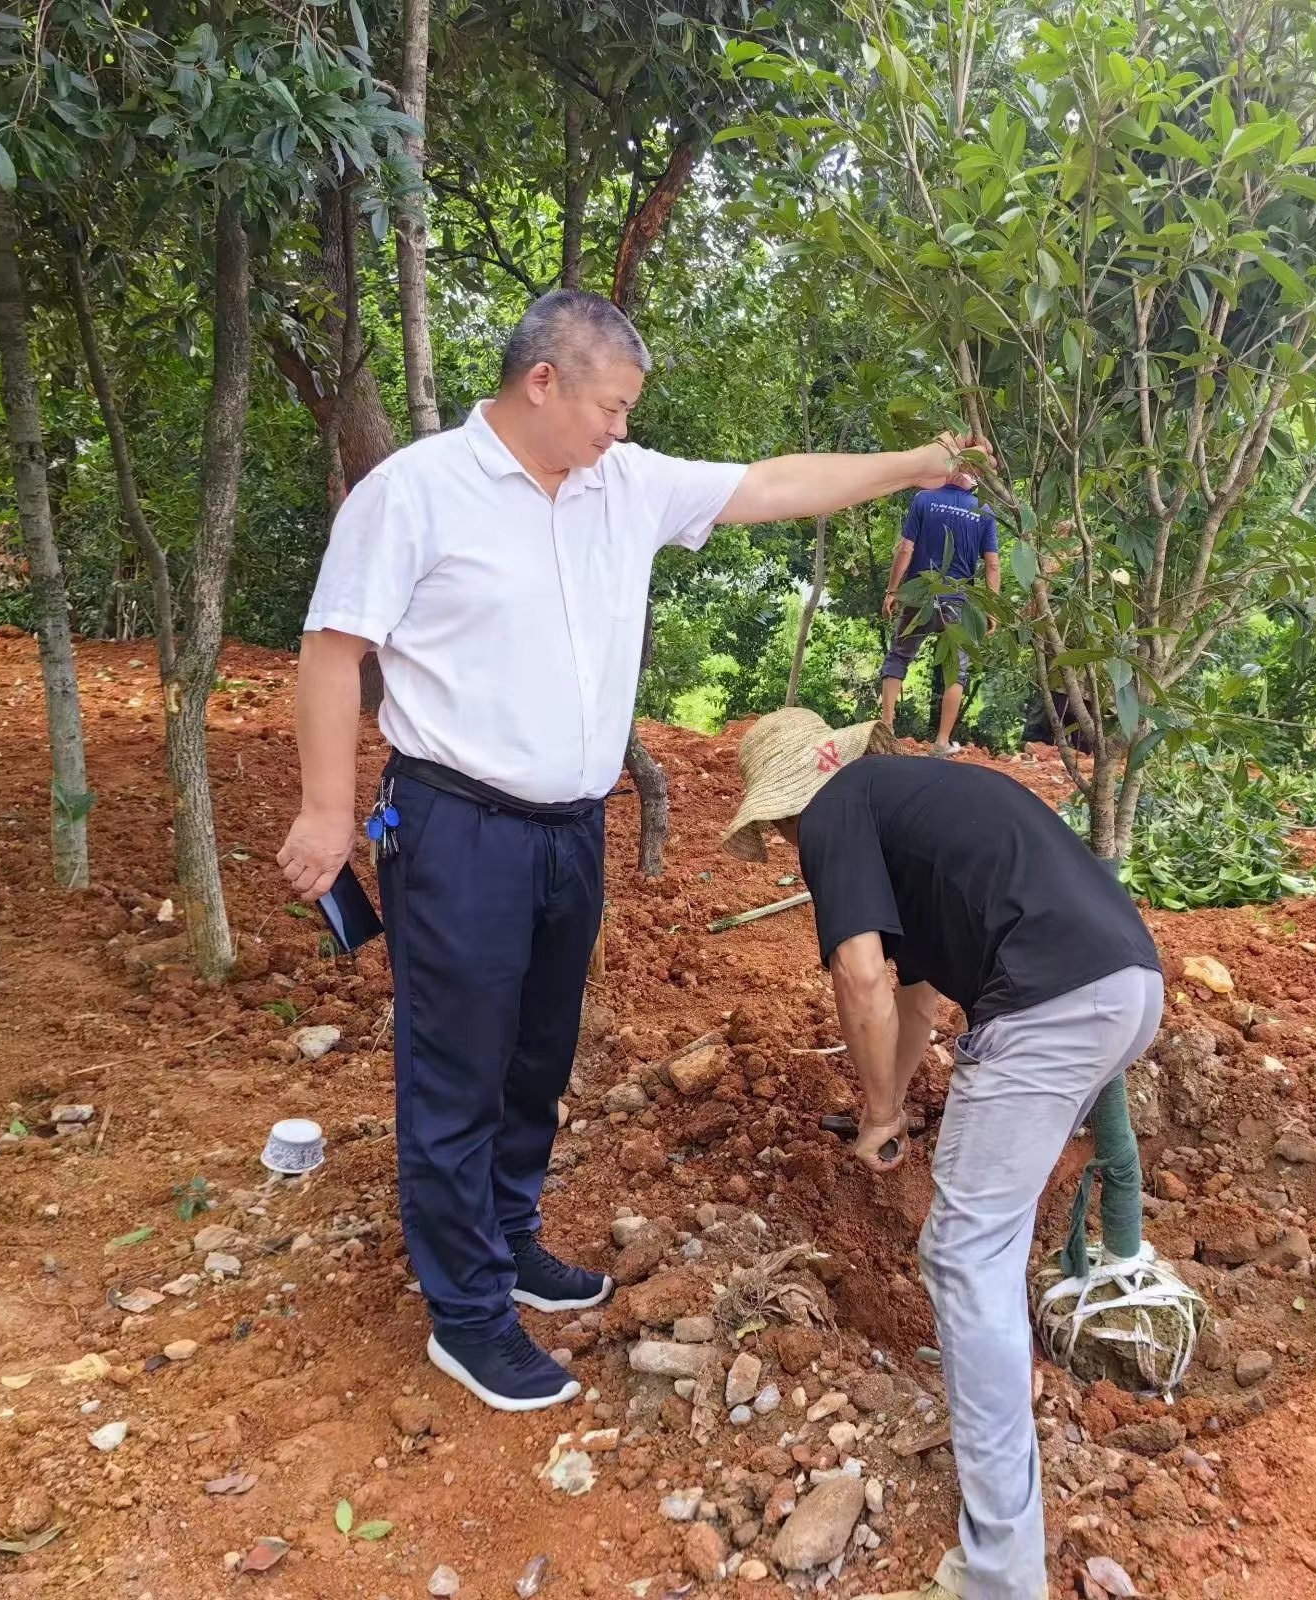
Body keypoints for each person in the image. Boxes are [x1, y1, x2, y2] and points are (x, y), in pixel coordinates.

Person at [276, 288, 988, 1412]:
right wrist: (325, 812)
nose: (623, 430)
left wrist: (914, 465)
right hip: (454, 824)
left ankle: (508, 1240)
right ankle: (466, 1315)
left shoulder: (623, 484)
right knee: (455, 1067)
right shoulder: (414, 492)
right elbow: (331, 653)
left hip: (571, 829)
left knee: (536, 1056)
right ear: (544, 381)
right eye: (612, 406)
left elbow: (770, 482)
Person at [722, 708, 1165, 1600]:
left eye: (777, 830)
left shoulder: (837, 810)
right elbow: (918, 1000)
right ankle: (1016, 1436)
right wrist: (880, 1113)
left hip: (1049, 1006)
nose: (785, 843)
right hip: (1127, 988)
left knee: (964, 1256)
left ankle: (1001, 1575)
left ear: (786, 812)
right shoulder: (913, 804)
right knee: (985, 1242)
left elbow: (861, 978)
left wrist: (883, 1108)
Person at [879, 481, 1000, 755]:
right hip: (958, 601)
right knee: (957, 671)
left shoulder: (924, 499)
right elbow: (992, 564)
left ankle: (886, 727)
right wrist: (992, 608)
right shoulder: (984, 511)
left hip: (921, 592)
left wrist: (893, 591)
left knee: (899, 656)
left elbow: (906, 549)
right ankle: (942, 742)